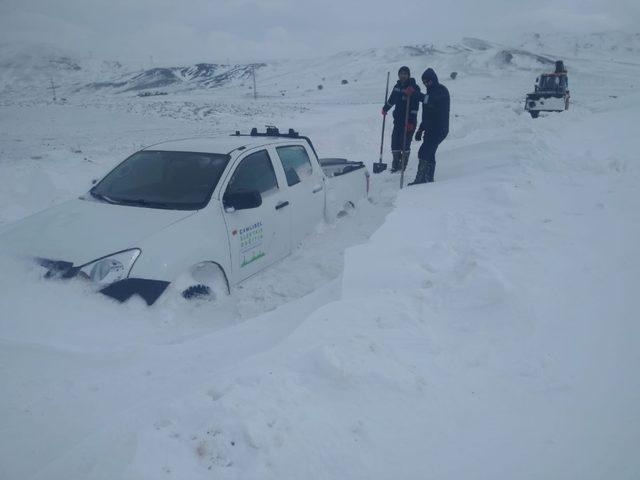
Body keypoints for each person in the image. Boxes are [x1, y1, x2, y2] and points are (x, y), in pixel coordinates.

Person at [410, 68, 450, 185]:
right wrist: (420, 129)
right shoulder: (429, 93)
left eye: (428, 81)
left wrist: (415, 94)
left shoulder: (441, 91)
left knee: (423, 152)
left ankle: (421, 179)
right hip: (430, 129)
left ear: (434, 80)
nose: (427, 84)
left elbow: (431, 101)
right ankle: (428, 178)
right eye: (425, 82)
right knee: (430, 153)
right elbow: (427, 115)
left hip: (439, 129)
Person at [382, 66, 421, 173]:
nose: (403, 76)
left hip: (409, 121)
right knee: (395, 141)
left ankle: (403, 164)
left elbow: (415, 107)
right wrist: (385, 108)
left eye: (405, 74)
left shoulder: (414, 88)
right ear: (399, 75)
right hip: (398, 121)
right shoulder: (397, 87)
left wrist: (412, 122)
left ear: (408, 75)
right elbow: (391, 100)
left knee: (405, 143)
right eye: (401, 73)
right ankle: (395, 164)